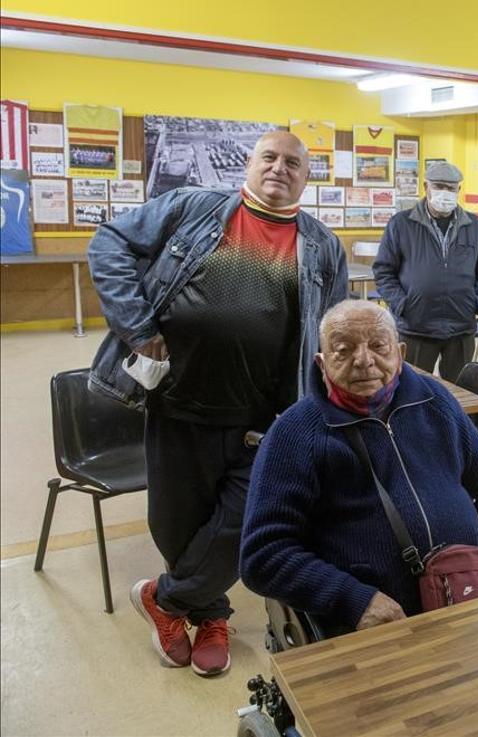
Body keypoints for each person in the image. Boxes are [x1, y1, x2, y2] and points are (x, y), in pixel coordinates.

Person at [87, 131, 348, 676]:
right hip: (179, 403)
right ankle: (210, 615)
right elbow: (109, 242)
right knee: (177, 524)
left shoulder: (322, 245)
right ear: (249, 166)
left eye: (293, 163)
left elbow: (331, 328)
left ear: (307, 176)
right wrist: (136, 328)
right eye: (269, 158)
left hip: (266, 417)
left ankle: (166, 599)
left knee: (246, 522)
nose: (280, 168)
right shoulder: (194, 208)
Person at [240, 301, 478, 635]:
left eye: (378, 346)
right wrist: (354, 600)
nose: (363, 360)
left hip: (463, 596)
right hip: (372, 628)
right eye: (344, 350)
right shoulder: (295, 433)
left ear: (399, 353)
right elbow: (262, 555)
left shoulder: (435, 401)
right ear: (321, 361)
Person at [373, 161, 478, 381]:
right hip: (416, 329)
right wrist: (403, 304)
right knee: (410, 392)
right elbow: (384, 271)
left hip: (461, 328)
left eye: (451, 188)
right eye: (439, 186)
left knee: (460, 396)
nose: (445, 192)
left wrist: (477, 301)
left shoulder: (475, 226)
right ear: (426, 187)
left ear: (459, 190)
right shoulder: (401, 224)